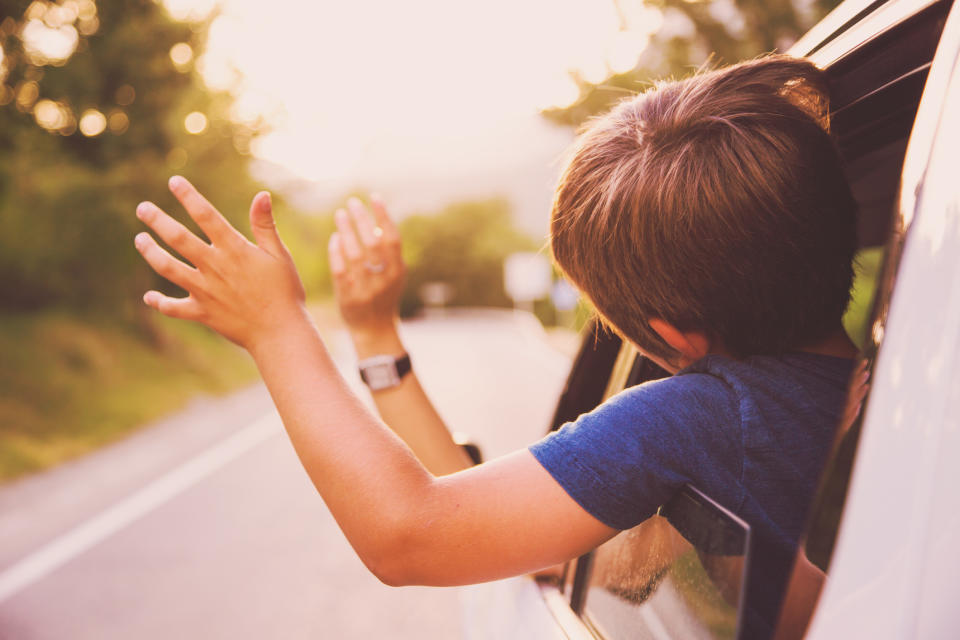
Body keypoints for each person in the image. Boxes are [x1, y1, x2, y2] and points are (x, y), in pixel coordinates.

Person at [132, 54, 858, 636]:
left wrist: (276, 328)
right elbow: (512, 535)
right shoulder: (894, 388)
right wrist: (376, 336)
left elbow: (411, 533)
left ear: (670, 339)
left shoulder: (701, 420)